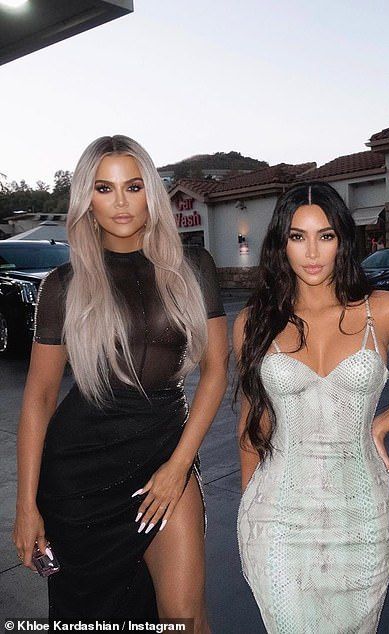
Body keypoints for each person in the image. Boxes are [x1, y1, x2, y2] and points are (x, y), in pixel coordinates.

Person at [12, 135, 228, 629]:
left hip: (164, 457)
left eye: (132, 186)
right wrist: (26, 506)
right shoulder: (63, 285)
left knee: (185, 616)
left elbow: (217, 368)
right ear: (87, 199)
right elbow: (39, 399)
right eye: (104, 189)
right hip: (79, 478)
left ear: (150, 192)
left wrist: (180, 465)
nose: (121, 202)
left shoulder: (192, 268)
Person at [234, 181, 389, 633]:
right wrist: (247, 511)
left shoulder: (384, 310)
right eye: (298, 236)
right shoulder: (254, 322)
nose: (312, 252)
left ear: (343, 240)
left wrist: (383, 424)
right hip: (276, 516)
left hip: (363, 517)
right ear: (282, 244)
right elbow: (251, 422)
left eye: (325, 236)